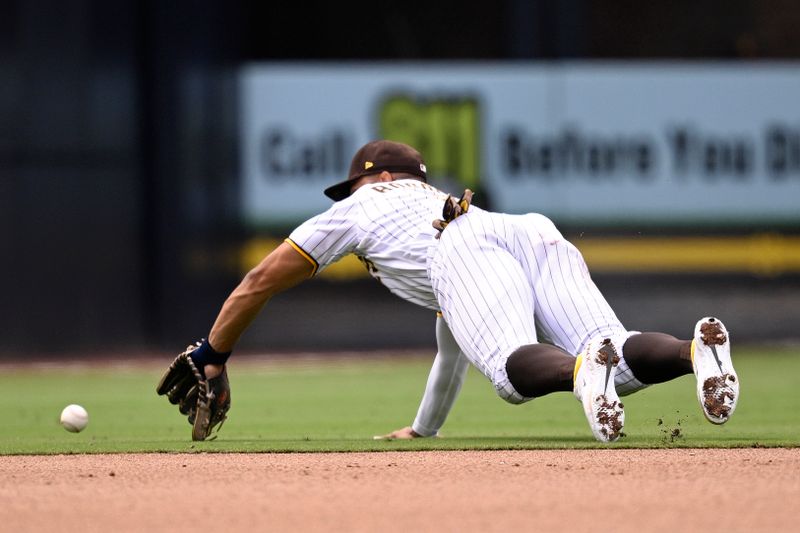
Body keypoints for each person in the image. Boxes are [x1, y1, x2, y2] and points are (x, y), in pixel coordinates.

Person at [160, 139, 739, 442]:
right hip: (523, 229)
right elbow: (451, 346)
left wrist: (213, 353)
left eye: (354, 182)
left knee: (513, 375)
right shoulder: (431, 210)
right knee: (620, 352)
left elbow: (259, 280)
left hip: (462, 248)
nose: (347, 194)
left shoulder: (366, 206)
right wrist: (424, 429)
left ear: (381, 177)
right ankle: (696, 353)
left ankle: (581, 371)